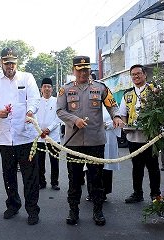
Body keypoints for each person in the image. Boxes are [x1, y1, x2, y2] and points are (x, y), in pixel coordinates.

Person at [56, 55, 123, 226]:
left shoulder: (101, 88)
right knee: (74, 179)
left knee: (96, 178)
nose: (83, 73)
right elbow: (59, 111)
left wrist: (115, 116)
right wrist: (74, 119)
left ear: (89, 70)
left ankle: (98, 211)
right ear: (73, 71)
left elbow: (112, 104)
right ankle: (73, 211)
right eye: (79, 70)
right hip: (74, 142)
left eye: (86, 70)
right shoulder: (66, 89)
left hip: (95, 141)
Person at [0, 47, 41, 225]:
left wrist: (30, 111)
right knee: (8, 174)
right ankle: (13, 204)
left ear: (17, 63)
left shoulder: (27, 78)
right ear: (1, 62)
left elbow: (34, 98)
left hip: (25, 135)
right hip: (5, 137)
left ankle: (32, 210)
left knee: (30, 176)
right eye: (6, 62)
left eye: (13, 62)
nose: (10, 66)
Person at [119, 64, 161, 204]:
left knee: (153, 167)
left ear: (145, 75)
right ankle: (137, 193)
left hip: (150, 137)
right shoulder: (128, 94)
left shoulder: (154, 91)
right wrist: (125, 125)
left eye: (138, 74)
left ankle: (156, 194)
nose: (136, 76)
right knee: (137, 167)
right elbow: (123, 113)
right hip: (133, 137)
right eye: (133, 74)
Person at [86, 107, 121, 201]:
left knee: (106, 165)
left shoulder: (110, 103)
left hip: (108, 136)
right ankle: (91, 191)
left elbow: (117, 118)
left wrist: (106, 125)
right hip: (92, 137)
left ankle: (104, 191)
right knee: (91, 164)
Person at [36, 77, 61, 191]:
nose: (47, 89)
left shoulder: (57, 101)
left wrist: (49, 129)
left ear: (52, 89)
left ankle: (54, 182)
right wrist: (39, 130)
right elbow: (33, 117)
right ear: (41, 89)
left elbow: (58, 118)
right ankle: (41, 182)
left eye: (49, 87)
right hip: (39, 136)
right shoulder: (36, 102)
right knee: (40, 161)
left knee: (54, 161)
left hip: (53, 137)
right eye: (45, 86)